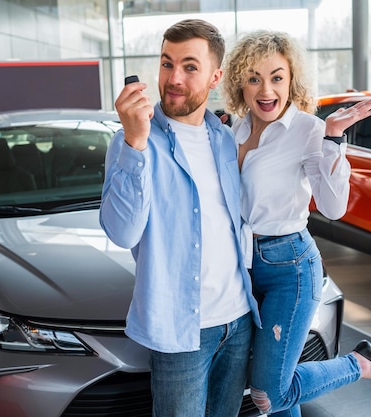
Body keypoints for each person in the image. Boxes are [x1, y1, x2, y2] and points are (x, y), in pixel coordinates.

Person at [221, 30, 371, 416]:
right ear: (240, 82)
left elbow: (334, 208)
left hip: (289, 267)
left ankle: (361, 364)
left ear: (292, 80)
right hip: (240, 265)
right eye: (254, 78)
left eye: (276, 77)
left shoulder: (308, 130)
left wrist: (334, 138)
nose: (265, 89)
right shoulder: (232, 129)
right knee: (278, 385)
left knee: (267, 392)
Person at [99, 19, 261, 417]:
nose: (173, 78)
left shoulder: (224, 138)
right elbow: (122, 232)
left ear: (215, 77)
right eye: (166, 63)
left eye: (190, 67)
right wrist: (136, 142)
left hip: (238, 319)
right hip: (181, 332)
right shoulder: (132, 140)